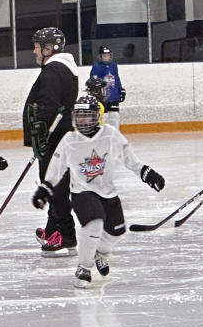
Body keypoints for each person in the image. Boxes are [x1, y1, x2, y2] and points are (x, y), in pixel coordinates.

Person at [32, 95, 165, 288]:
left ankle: (99, 253)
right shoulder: (70, 139)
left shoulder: (110, 135)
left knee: (117, 231)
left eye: (86, 115)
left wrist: (147, 173)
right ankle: (83, 268)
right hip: (82, 192)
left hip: (107, 192)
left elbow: (129, 159)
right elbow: (56, 167)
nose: (82, 120)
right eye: (78, 115)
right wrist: (44, 189)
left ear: (97, 117)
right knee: (93, 223)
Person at [24, 27, 79, 256]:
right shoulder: (59, 68)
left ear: (48, 48)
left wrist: (41, 133)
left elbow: (48, 105)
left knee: (55, 187)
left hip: (54, 139)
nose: (34, 51)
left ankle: (65, 235)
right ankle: (52, 228)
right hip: (56, 137)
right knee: (54, 184)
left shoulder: (53, 71)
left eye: (37, 46)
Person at [89, 45, 125, 129]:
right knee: (102, 118)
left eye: (108, 55)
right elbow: (93, 81)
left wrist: (121, 90)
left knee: (115, 117)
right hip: (102, 98)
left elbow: (116, 78)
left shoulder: (113, 65)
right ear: (100, 56)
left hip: (114, 97)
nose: (106, 57)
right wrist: (97, 91)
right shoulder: (96, 66)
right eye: (104, 56)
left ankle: (114, 135)